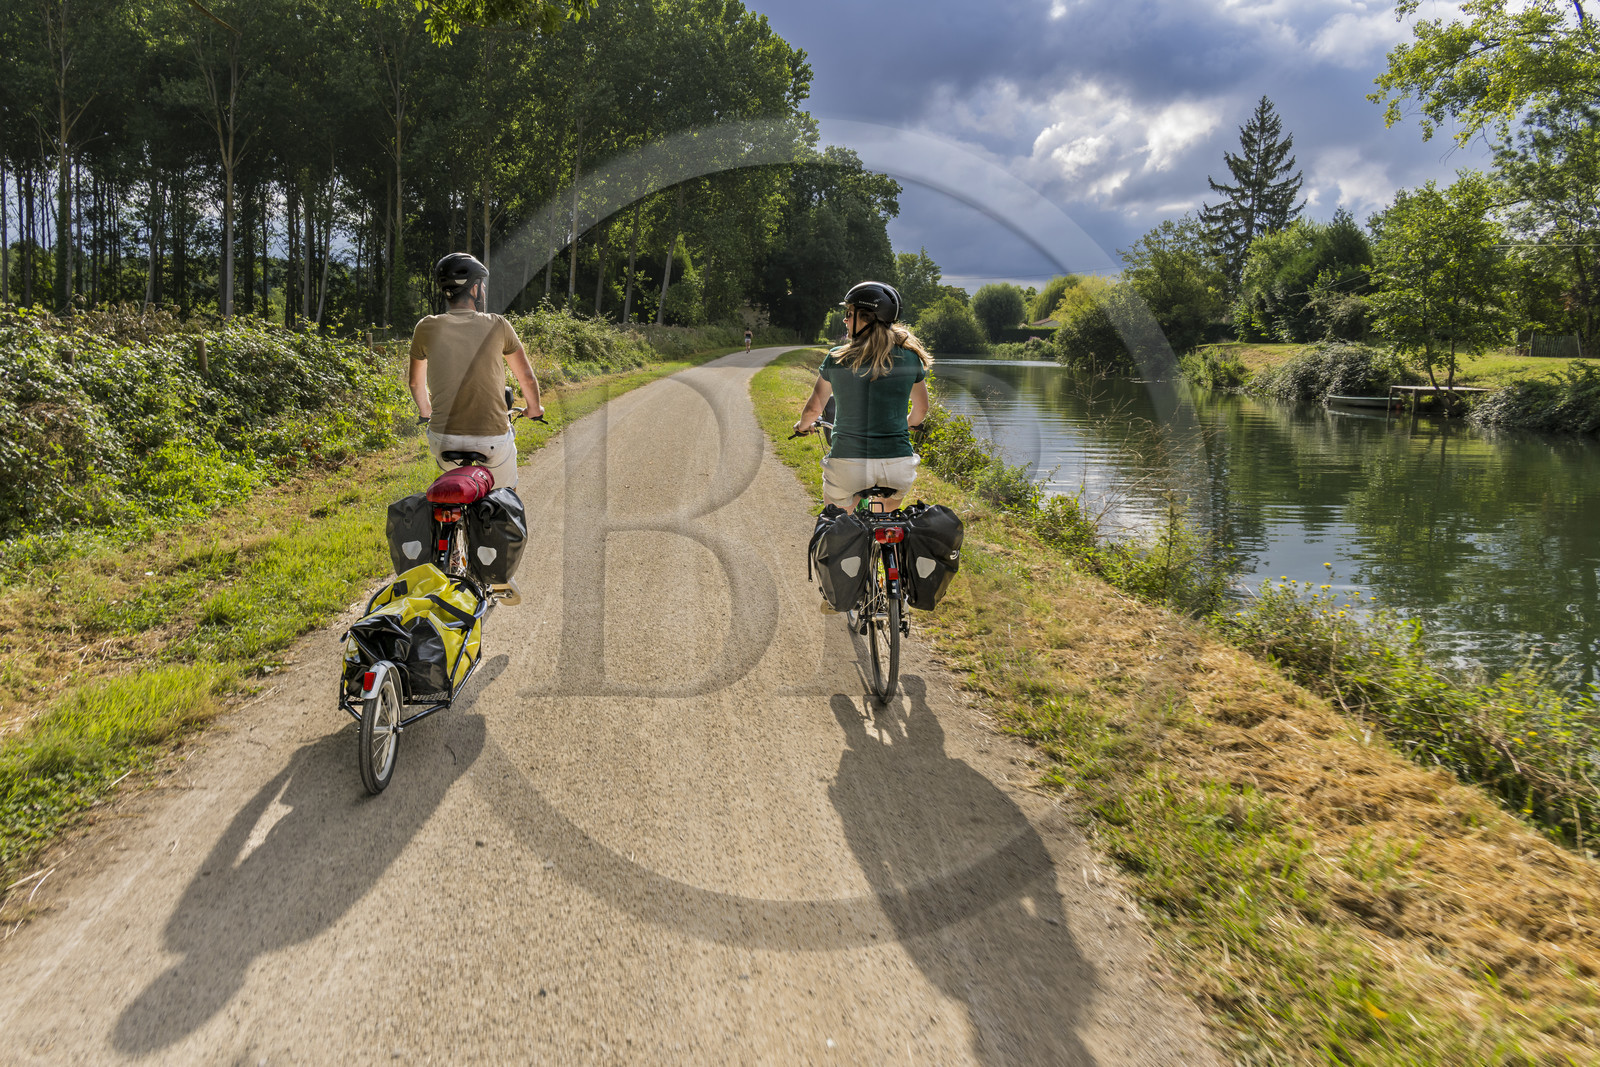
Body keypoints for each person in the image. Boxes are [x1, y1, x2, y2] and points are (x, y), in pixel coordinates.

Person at [793, 280, 931, 514]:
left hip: (848, 464)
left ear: (867, 318)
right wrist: (906, 424)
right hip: (897, 466)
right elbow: (922, 409)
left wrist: (802, 426)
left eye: (849, 314)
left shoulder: (837, 357)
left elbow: (814, 409)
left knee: (839, 526)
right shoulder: (910, 358)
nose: (845, 320)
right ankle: (887, 536)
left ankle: (844, 535)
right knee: (885, 521)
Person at [408, 253, 543, 490]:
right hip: (492, 439)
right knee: (505, 494)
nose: (484, 289)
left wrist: (426, 412)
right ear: (475, 289)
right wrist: (534, 409)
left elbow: (415, 383)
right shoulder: (498, 324)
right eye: (482, 285)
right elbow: (527, 378)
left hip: (443, 439)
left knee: (452, 491)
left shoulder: (425, 327)